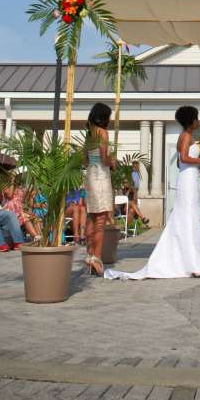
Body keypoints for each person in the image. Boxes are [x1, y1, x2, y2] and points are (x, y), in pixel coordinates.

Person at [105, 105, 200, 280]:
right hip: (187, 180)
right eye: (197, 118)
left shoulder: (185, 136)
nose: (199, 121)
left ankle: (192, 262)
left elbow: (179, 163)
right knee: (188, 216)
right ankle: (192, 263)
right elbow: (183, 158)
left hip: (189, 178)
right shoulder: (186, 136)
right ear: (191, 121)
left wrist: (197, 166)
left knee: (188, 216)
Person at [84, 102, 116, 276]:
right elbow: (104, 158)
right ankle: (97, 258)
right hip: (101, 177)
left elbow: (85, 161)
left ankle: (89, 255)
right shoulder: (103, 133)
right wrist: (113, 162)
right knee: (101, 222)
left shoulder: (89, 134)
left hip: (90, 175)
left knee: (91, 217)